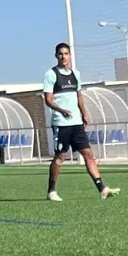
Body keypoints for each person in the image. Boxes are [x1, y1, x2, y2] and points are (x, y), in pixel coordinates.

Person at [43, 43, 120, 201]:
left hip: (76, 123)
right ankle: (51, 191)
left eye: (66, 53)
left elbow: (79, 96)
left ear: (70, 55)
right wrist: (61, 110)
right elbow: (48, 99)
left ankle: (102, 189)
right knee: (61, 157)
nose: (63, 57)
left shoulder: (76, 74)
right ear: (56, 56)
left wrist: (84, 113)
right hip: (61, 123)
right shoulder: (51, 74)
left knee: (88, 154)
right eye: (60, 54)